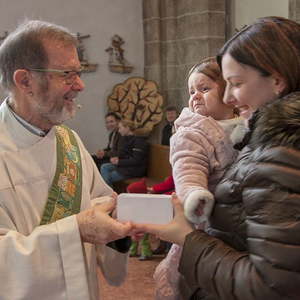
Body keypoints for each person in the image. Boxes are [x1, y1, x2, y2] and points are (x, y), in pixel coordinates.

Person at [134, 16, 300, 300]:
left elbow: (271, 287)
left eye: (235, 83)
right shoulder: (267, 140)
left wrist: (187, 238)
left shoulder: (281, 153)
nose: (230, 97)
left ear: (276, 79)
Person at [0, 20, 133, 300]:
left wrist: (122, 224)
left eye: (79, 73)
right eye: (67, 74)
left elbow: (100, 203)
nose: (80, 85)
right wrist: (77, 230)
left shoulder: (69, 142)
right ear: (25, 81)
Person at [153, 57, 246, 299]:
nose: (195, 95)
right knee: (189, 278)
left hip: (236, 222)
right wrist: (194, 194)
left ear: (229, 91)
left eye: (204, 89)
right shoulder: (191, 132)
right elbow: (187, 168)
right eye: (191, 91)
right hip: (203, 216)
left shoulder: (246, 124)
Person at [126, 176, 175, 260]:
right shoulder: (134, 202)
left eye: (130, 193)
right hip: (136, 224)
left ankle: (146, 253)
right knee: (134, 240)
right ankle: (133, 251)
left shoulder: (148, 203)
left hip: (145, 225)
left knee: (144, 240)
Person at [100, 119, 149, 187]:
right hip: (125, 166)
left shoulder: (139, 141)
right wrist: (116, 158)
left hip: (134, 170)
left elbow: (136, 160)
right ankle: (109, 192)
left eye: (120, 128)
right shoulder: (125, 138)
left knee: (107, 177)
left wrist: (119, 162)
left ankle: (109, 194)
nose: (119, 131)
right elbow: (123, 153)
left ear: (127, 128)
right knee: (104, 167)